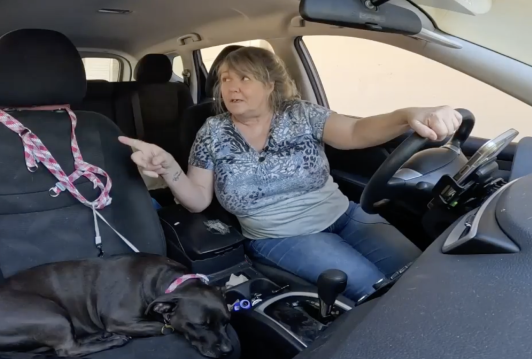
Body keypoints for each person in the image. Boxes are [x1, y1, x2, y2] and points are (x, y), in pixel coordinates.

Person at [119, 47, 462, 301]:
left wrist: (408, 114)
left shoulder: (300, 113)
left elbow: (357, 131)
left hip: (345, 215)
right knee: (379, 293)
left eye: (244, 78)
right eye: (225, 79)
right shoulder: (212, 132)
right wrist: (169, 168)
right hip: (282, 235)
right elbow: (197, 200)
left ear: (270, 85)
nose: (232, 87)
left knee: (424, 272)